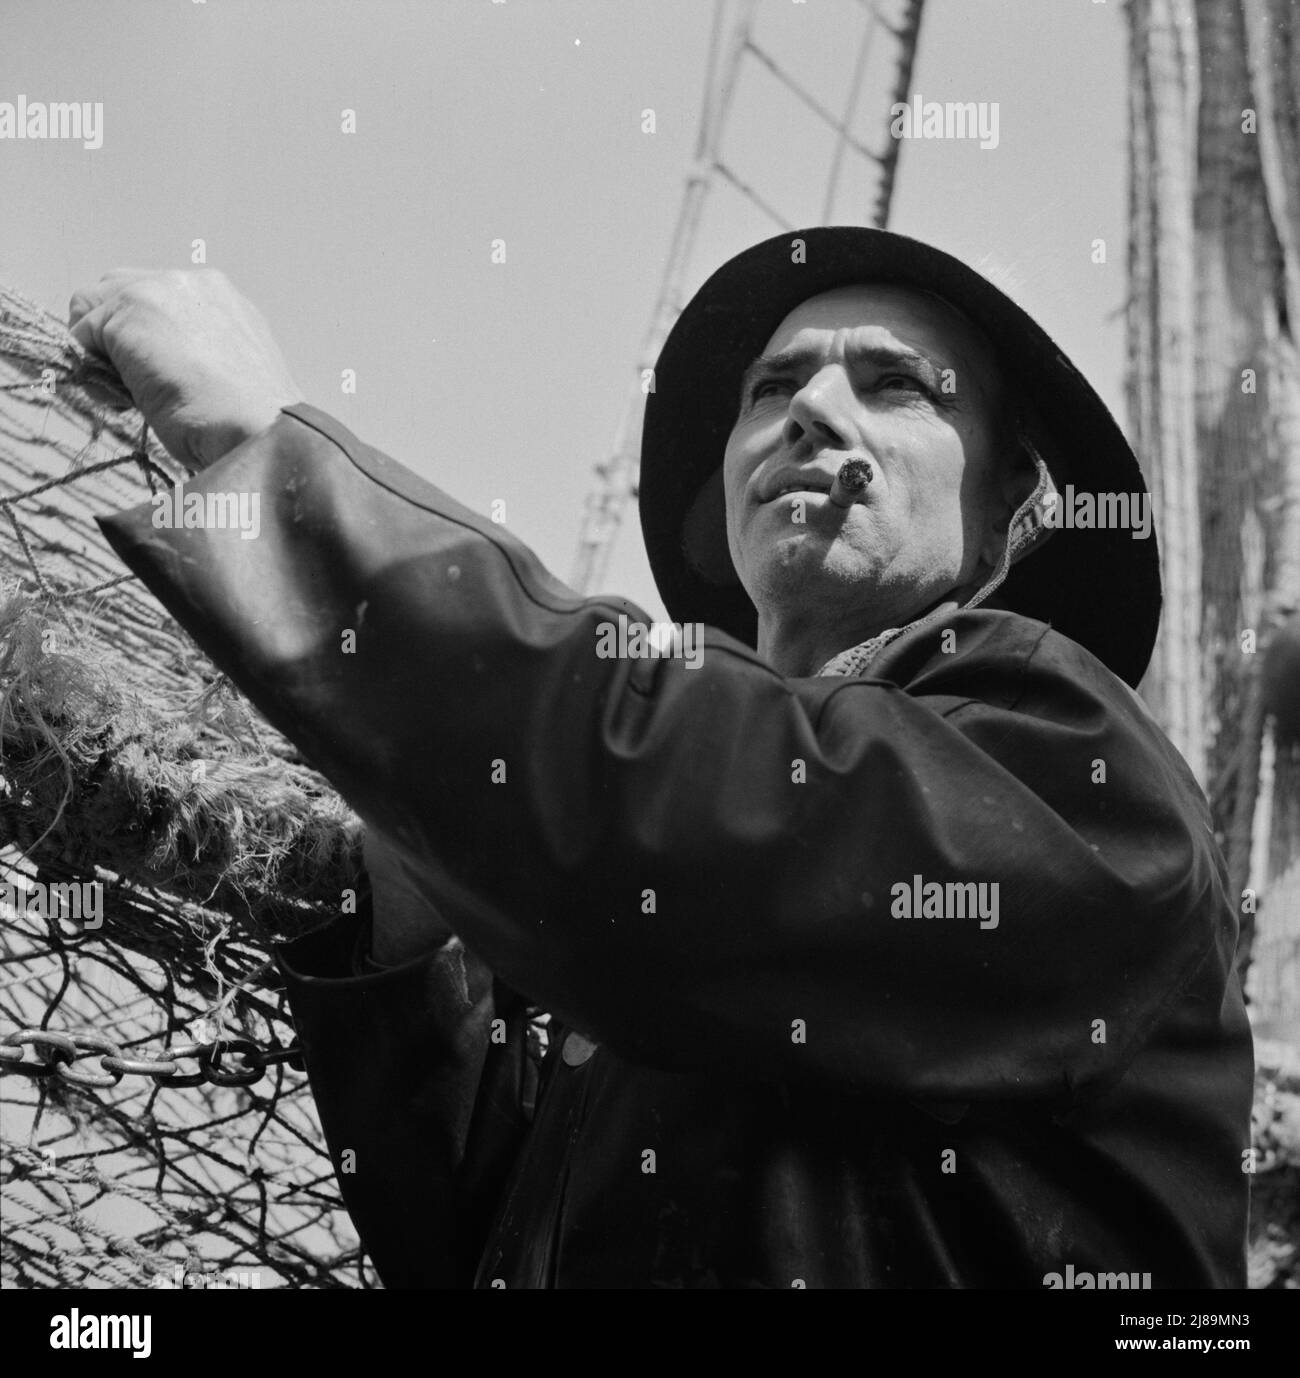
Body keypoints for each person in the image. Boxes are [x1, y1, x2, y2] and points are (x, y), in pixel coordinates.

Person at [74, 227, 1253, 1289]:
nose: (812, 410)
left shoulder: (1077, 766)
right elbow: (481, 1243)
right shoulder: (650, 944)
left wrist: (277, 463)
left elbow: (703, 813)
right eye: (773, 386)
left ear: (1014, 508)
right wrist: (408, 918)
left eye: (895, 384)